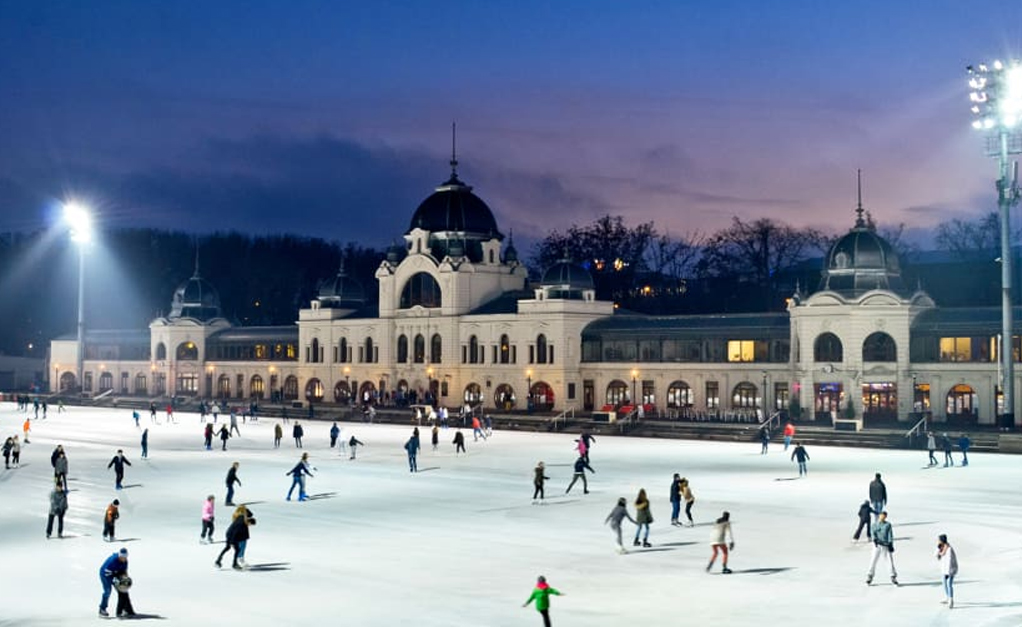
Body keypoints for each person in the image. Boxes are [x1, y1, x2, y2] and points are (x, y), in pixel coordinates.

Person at [216, 505, 255, 570]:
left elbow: (250, 514)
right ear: (248, 522)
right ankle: (234, 564)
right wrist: (232, 542)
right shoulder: (241, 523)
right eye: (250, 525)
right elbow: (235, 531)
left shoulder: (241, 517)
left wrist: (245, 509)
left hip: (229, 533)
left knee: (228, 548)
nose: (249, 526)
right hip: (232, 535)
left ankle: (218, 561)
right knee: (236, 549)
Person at [866, 511, 898, 585]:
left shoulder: (887, 525)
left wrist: (890, 544)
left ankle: (893, 576)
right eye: (881, 515)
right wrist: (875, 540)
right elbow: (873, 533)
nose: (882, 517)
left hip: (885, 545)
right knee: (873, 560)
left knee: (889, 561)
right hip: (877, 545)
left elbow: (890, 535)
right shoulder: (874, 525)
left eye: (884, 516)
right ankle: (870, 575)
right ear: (879, 516)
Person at [98, 548, 129, 617]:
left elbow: (124, 572)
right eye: (122, 557)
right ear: (119, 556)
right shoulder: (112, 561)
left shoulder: (125, 562)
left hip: (114, 574)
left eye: (125, 557)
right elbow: (107, 572)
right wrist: (116, 575)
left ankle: (123, 609)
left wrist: (124, 580)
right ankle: (102, 609)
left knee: (122, 590)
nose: (123, 559)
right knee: (107, 591)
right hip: (105, 575)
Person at [936, 534, 958, 608]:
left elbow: (950, 561)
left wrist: (948, 572)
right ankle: (947, 597)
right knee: (944, 583)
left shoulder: (949, 549)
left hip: (950, 569)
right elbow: (936, 555)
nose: (938, 541)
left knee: (949, 583)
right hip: (944, 569)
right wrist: (938, 549)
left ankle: (951, 600)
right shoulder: (941, 547)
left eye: (939, 540)